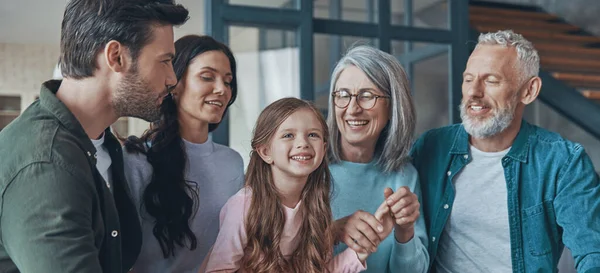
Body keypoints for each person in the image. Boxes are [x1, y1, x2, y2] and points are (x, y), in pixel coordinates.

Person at [0, 0, 188, 272]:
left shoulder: (101, 142)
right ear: (116, 57)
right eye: (165, 61)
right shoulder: (46, 163)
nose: (172, 78)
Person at [411, 29, 600, 272]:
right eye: (468, 79)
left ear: (529, 90)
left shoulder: (563, 162)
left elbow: (593, 251)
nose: (474, 93)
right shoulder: (431, 147)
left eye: (491, 80)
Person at [203, 98, 394, 272]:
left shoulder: (316, 208)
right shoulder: (243, 205)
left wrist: (364, 247)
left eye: (312, 135)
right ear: (265, 151)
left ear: (324, 148)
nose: (303, 143)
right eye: (288, 135)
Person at [123, 35, 243, 273]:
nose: (221, 89)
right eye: (207, 77)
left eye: (228, 82)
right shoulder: (136, 160)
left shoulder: (233, 163)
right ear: (174, 84)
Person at [327, 45, 429, 273]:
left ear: (393, 105)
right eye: (342, 95)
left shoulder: (404, 175)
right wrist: (333, 231)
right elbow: (274, 255)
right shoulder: (309, 167)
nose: (352, 109)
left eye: (367, 96)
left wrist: (405, 232)